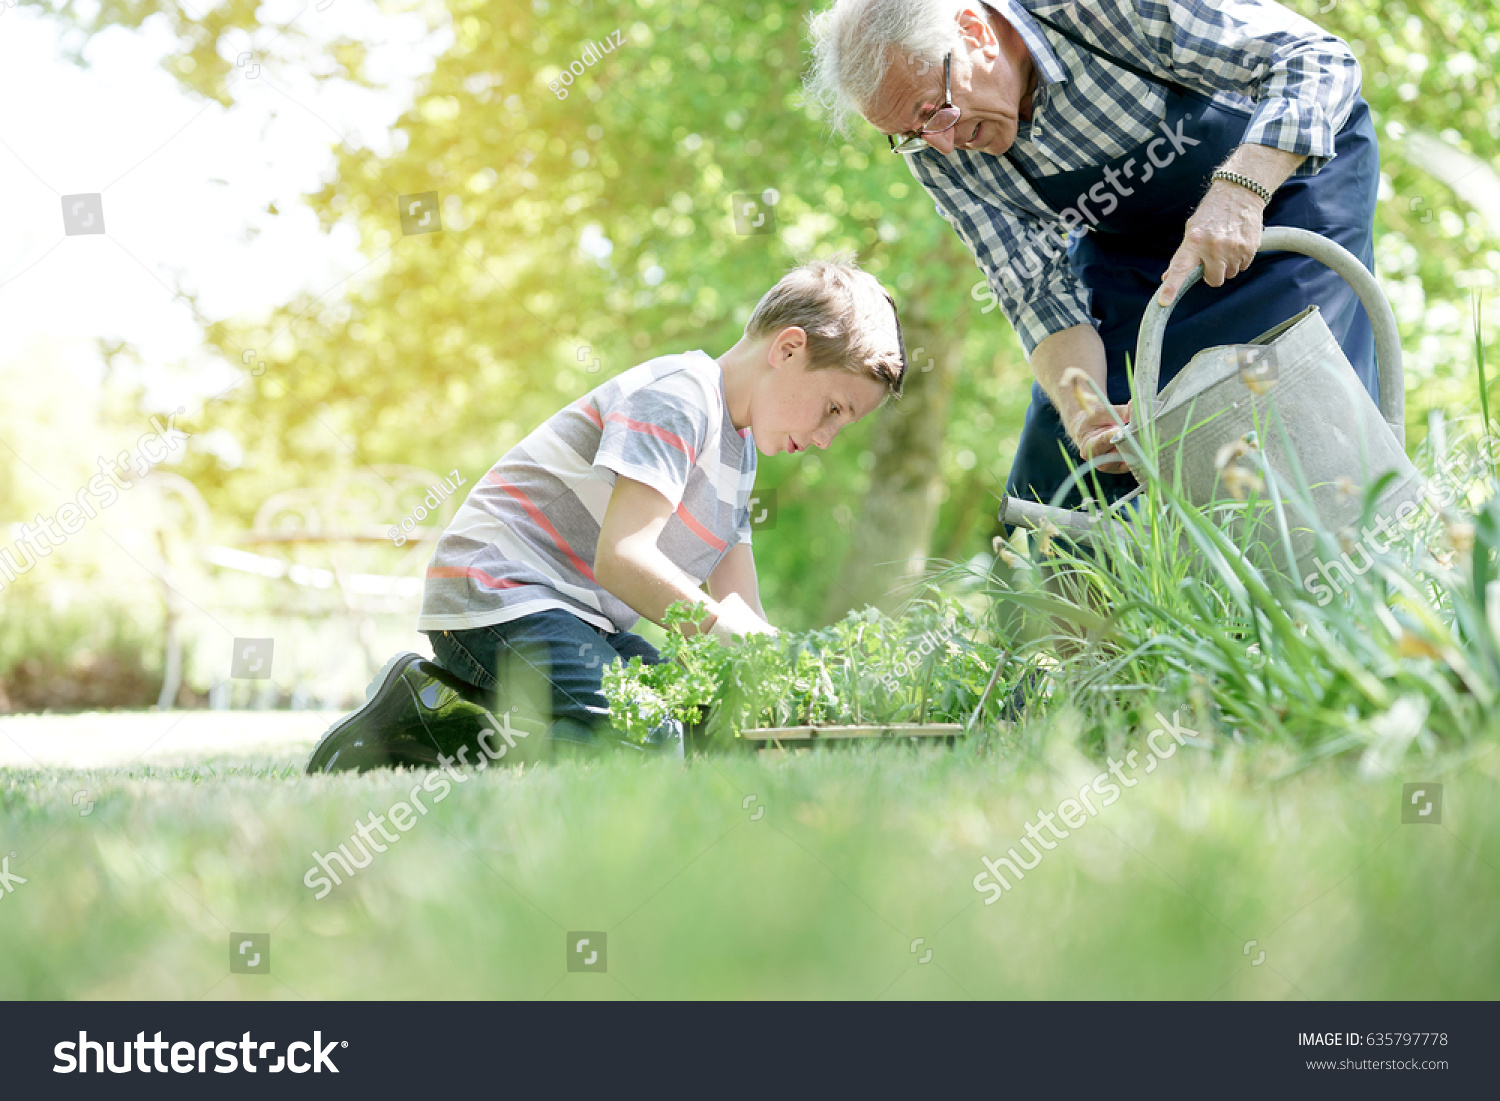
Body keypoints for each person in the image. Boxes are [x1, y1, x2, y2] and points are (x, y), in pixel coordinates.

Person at [308, 256, 907, 773]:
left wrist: (787, 687)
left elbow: (744, 612)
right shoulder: (680, 396)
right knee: (645, 736)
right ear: (789, 347)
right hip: (499, 595)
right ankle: (422, 715)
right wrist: (723, 632)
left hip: (574, 622)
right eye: (833, 408)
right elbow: (623, 561)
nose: (828, 437)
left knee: (706, 728)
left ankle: (471, 711)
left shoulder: (742, 454)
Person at [806, 0, 1381, 515]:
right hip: (1138, 248)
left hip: (1286, 191)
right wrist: (1089, 417)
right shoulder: (933, 141)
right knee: (1062, 483)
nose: (942, 145)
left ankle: (1298, 615)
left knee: (1252, 412)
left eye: (936, 111)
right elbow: (1034, 287)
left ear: (974, 34)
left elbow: (1317, 61)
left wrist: (1240, 191)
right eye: (910, 133)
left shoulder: (1096, 9)